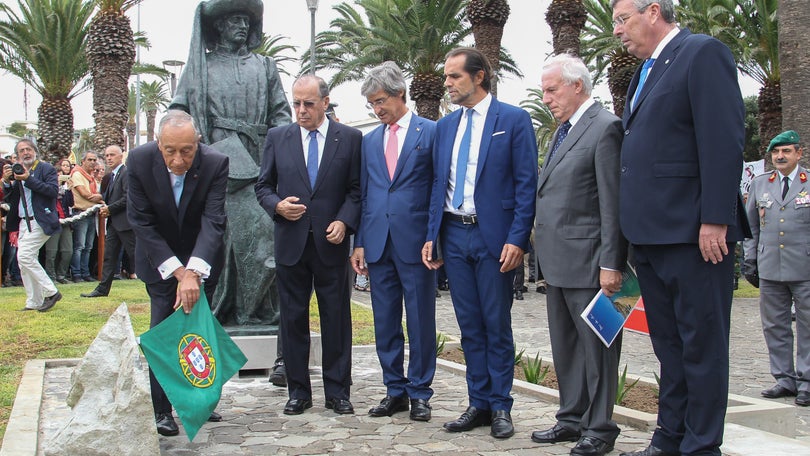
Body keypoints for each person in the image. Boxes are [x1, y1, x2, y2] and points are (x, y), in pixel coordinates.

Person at [611, 1, 749, 455]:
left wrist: (716, 218)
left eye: (621, 19)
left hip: (694, 233)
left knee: (702, 346)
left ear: (653, 11)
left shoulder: (701, 52)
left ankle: (701, 445)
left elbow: (722, 139)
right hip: (649, 235)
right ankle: (670, 436)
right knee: (669, 348)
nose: (617, 31)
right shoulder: (644, 72)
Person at [421, 47, 537, 439]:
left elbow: (526, 186)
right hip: (453, 235)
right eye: (446, 77)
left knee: (496, 323)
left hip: (495, 238)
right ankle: (479, 403)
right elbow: (439, 184)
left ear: (479, 77)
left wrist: (518, 239)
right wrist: (431, 236)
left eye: (454, 76)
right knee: (469, 326)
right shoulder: (446, 127)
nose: (448, 84)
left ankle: (502, 406)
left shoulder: (514, 120)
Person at [170, 0, 291, 332]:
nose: (243, 26)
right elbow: (179, 110)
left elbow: (281, 114)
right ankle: (227, 310)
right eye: (235, 20)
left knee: (266, 236)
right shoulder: (201, 68)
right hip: (218, 161)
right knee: (224, 237)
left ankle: (261, 310)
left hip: (262, 160)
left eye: (246, 20)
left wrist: (279, 155)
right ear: (219, 26)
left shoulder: (265, 66)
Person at [530, 54, 626, 456]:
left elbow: (612, 203)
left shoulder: (605, 127)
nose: (546, 98)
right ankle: (571, 418)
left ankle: (600, 428)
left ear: (577, 86)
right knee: (566, 348)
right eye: (544, 91)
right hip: (557, 264)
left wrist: (611, 263)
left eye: (552, 89)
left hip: (591, 265)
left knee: (598, 349)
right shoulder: (562, 131)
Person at [255, 74, 361, 416]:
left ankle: (338, 392)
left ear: (325, 103)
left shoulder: (350, 138)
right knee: (292, 319)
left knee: (336, 320)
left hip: (331, 246)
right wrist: (276, 206)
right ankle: (298, 392)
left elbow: (357, 190)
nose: (301, 110)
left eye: (308, 104)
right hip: (291, 244)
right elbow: (263, 186)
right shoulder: (277, 138)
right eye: (296, 103)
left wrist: (344, 221)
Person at [127, 110, 229, 436]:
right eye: (170, 150)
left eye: (186, 150)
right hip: (160, 264)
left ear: (197, 143)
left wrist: (193, 274)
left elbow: (213, 222)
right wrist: (178, 273)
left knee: (200, 331)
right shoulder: (139, 161)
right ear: (158, 144)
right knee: (164, 332)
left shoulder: (215, 163)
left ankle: (198, 402)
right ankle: (163, 410)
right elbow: (141, 222)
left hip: (202, 260)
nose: (178, 158)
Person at [350, 62, 437, 421]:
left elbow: (436, 189)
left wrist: (434, 236)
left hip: (416, 244)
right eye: (372, 103)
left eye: (381, 100)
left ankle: (420, 393)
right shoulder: (369, 141)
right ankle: (394, 390)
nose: (377, 109)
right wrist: (359, 242)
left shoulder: (430, 132)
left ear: (401, 94)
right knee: (385, 321)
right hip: (377, 243)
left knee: (420, 321)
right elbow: (365, 193)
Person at [743, 130, 810, 407]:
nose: (780, 157)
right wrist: (750, 261)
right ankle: (784, 379)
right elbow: (751, 228)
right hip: (770, 267)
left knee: (807, 325)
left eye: (786, 151)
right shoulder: (761, 184)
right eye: (775, 152)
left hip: (805, 268)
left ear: (799, 153)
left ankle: (806, 380)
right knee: (774, 325)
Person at [1, 139, 62, 312]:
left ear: (35, 151)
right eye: (22, 151)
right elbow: (12, 196)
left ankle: (51, 292)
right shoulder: (18, 171)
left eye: (28, 149)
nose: (26, 152)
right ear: (17, 155)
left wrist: (29, 179)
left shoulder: (46, 169)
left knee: (25, 256)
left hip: (41, 220)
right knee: (24, 261)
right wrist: (7, 182)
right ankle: (33, 301)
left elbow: (52, 191)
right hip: (23, 221)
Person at [81, 145, 136, 298]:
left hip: (125, 224)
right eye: (106, 155)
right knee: (109, 256)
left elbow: (128, 198)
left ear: (121, 156)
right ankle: (102, 289)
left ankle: (157, 284)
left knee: (136, 256)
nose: (109, 158)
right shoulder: (111, 176)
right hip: (114, 224)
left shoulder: (125, 173)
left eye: (112, 155)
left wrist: (110, 208)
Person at [69, 151, 103, 283]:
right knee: (79, 246)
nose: (92, 162)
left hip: (91, 213)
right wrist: (101, 197)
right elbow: (85, 194)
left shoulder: (91, 177)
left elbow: (92, 195)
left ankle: (85, 272)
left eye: (94, 160)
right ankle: (76, 273)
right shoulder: (77, 174)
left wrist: (98, 197)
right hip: (80, 213)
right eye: (90, 159)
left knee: (88, 246)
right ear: (82, 161)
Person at [43, 158, 74, 284]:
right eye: (57, 176)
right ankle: (51, 276)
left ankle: (61, 275)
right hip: (52, 221)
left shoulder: (64, 190)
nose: (59, 178)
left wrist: (68, 190)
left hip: (65, 220)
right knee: (51, 251)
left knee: (68, 251)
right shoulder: (48, 188)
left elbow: (71, 203)